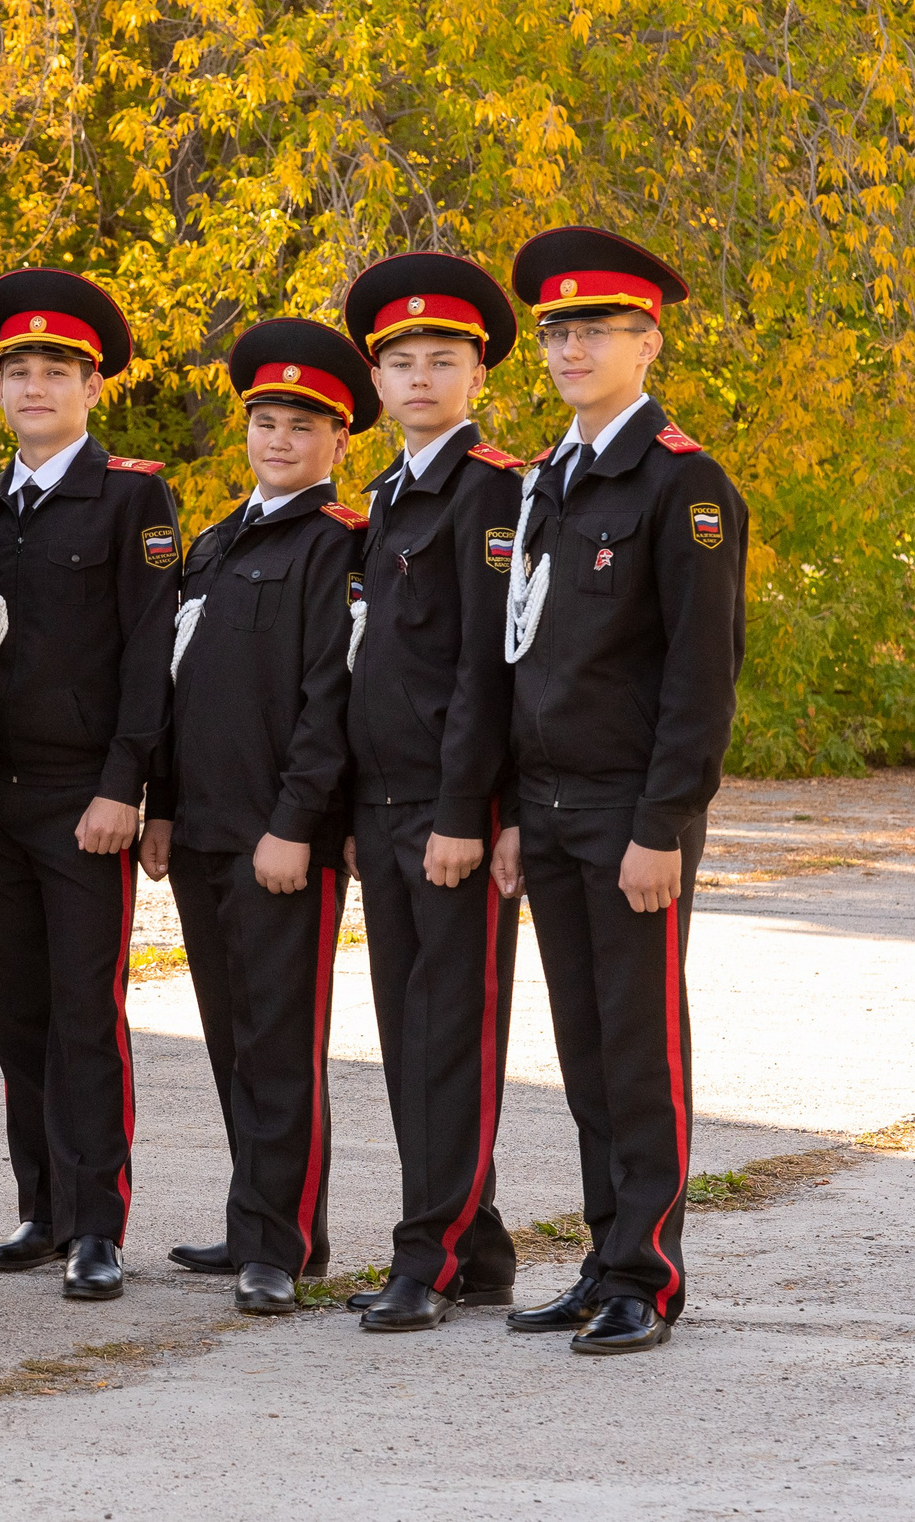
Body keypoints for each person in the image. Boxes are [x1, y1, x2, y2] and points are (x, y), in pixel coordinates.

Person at [498, 227, 745, 1355]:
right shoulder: (547, 477)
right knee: (586, 1049)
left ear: (647, 341)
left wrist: (662, 827)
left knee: (640, 1048)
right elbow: (523, 653)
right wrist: (508, 808)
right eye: (555, 330)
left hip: (628, 818)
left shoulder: (681, 482)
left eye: (594, 328)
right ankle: (603, 1261)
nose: (569, 346)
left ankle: (649, 1272)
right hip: (546, 813)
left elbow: (701, 675)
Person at [0, 268, 180, 1304]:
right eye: (17, 371)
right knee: (14, 1011)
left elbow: (149, 648)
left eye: (55, 371)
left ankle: (99, 1223)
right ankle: (42, 1206)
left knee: (84, 1010)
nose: (34, 386)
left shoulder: (128, 497)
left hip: (84, 801)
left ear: (90, 387)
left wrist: (128, 784)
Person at [147, 317, 375, 1317]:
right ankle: (260, 1221)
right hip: (199, 832)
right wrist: (159, 807)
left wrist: (297, 822)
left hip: (281, 839)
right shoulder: (215, 542)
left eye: (301, 426)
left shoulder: (338, 546)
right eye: (265, 422)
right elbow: (176, 687)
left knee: (280, 1043)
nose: (279, 440)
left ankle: (278, 1248)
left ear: (336, 442)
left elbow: (334, 700)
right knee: (231, 1037)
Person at [333, 254, 530, 1333]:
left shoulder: (489, 489)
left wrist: (464, 812)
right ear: (376, 379)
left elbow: (486, 669)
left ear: (474, 375)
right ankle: (478, 1241)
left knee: (449, 1035)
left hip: (452, 813)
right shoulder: (390, 493)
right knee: (407, 1039)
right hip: (386, 810)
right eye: (399, 362)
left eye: (439, 361)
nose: (417, 377)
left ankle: (430, 1255)